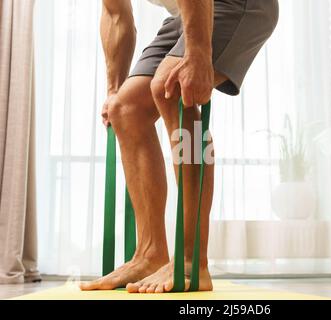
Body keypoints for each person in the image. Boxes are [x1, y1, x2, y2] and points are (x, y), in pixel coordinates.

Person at [80, 0, 278, 293]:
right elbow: (115, 13)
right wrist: (113, 89)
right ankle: (149, 254)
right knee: (126, 109)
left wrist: (198, 54)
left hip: (239, 4)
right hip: (185, 14)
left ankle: (191, 260)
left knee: (169, 87)